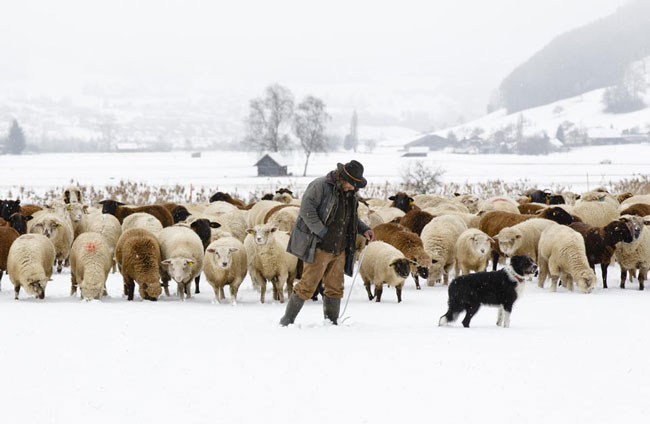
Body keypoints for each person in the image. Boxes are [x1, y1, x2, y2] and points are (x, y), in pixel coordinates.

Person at [280, 160, 374, 326]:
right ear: (343, 178)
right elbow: (306, 210)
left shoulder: (350, 193)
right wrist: (321, 232)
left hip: (340, 247)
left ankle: (331, 323)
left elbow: (350, 218)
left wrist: (364, 229)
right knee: (307, 286)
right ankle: (287, 320)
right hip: (319, 246)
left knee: (335, 287)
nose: (354, 188)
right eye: (352, 184)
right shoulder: (320, 186)